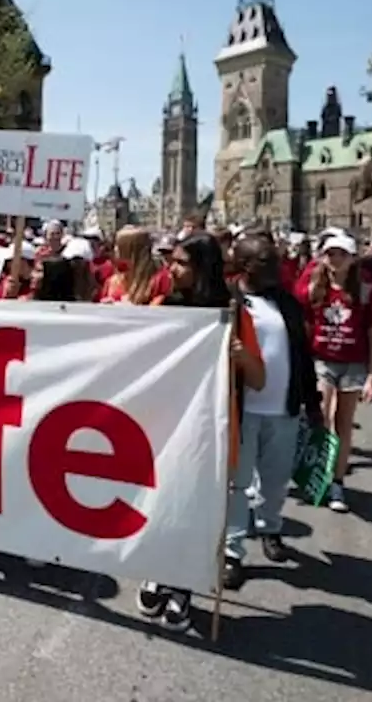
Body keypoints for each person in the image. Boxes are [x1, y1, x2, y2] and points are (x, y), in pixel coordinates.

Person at [138, 232, 265, 633]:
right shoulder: (163, 306)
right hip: (165, 426)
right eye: (170, 261)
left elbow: (259, 379)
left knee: (198, 512)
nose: (170, 269)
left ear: (203, 268)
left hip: (211, 429)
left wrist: (240, 356)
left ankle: (185, 587)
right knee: (161, 503)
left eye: (180, 263)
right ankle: (156, 570)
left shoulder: (233, 312)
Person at [222, 234, 323, 588]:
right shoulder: (228, 299)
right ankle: (232, 551)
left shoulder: (287, 303)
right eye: (267, 263)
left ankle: (270, 527)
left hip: (283, 407)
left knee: (276, 479)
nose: (277, 269)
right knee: (236, 482)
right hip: (241, 408)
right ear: (246, 265)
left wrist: (313, 404)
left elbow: (302, 355)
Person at [299, 233, 372, 513]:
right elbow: (302, 324)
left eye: (341, 254)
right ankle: (319, 475)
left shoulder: (365, 291)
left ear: (352, 258)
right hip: (322, 361)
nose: (335, 259)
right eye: (330, 254)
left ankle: (337, 481)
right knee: (320, 418)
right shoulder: (314, 288)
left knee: (343, 423)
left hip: (353, 364)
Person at [101, 226, 170, 304]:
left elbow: (158, 310)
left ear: (132, 250)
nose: (115, 249)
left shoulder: (159, 279)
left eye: (118, 245)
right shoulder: (113, 281)